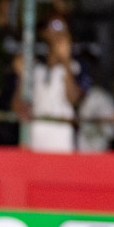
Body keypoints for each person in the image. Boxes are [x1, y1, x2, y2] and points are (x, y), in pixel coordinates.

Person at [13, 15, 81, 153]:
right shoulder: (35, 70)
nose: (56, 36)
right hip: (35, 141)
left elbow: (74, 99)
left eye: (60, 29)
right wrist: (21, 76)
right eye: (51, 28)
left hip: (61, 144)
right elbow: (17, 106)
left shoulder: (75, 67)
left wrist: (66, 62)